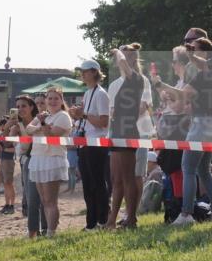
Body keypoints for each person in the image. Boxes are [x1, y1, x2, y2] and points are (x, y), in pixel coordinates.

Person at [153, 32, 212, 225]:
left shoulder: (204, 76)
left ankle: (186, 214)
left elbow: (182, 96)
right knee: (203, 170)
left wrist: (161, 85)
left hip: (201, 126)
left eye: (195, 50)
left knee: (188, 168)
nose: (190, 54)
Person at [105, 46, 147, 229]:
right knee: (117, 179)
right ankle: (111, 220)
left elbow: (123, 63)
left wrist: (118, 52)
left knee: (128, 178)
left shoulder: (136, 79)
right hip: (117, 131)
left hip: (127, 131)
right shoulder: (121, 83)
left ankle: (131, 219)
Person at [25, 86, 72, 236]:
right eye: (50, 98)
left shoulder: (63, 116)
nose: (52, 101)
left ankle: (51, 231)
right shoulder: (43, 115)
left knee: (51, 200)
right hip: (38, 158)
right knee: (44, 200)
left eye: (56, 98)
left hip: (52, 159)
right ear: (46, 100)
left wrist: (41, 125)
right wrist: (41, 124)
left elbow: (51, 135)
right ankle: (48, 230)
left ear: (61, 100)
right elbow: (28, 129)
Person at [70, 59, 111, 230]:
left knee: (97, 183)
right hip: (86, 141)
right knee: (88, 184)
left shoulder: (101, 94)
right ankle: (91, 222)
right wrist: (78, 115)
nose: (82, 74)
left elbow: (104, 122)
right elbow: (87, 117)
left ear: (94, 72)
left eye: (85, 71)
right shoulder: (88, 93)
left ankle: (102, 220)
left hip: (97, 143)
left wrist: (84, 115)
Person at [12, 95, 47, 238]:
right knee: (31, 198)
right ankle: (33, 231)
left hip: (44, 159)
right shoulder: (17, 125)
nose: (20, 109)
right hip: (28, 161)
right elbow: (7, 142)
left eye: (24, 106)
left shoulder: (40, 120)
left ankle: (46, 228)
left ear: (31, 107)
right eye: (18, 106)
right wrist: (9, 126)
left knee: (46, 198)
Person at [0, 116, 18, 214]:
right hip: (3, 159)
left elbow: (15, 149)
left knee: (9, 183)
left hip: (9, 160)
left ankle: (12, 205)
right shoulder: (2, 133)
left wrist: (4, 149)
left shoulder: (12, 134)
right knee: (5, 184)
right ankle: (7, 204)